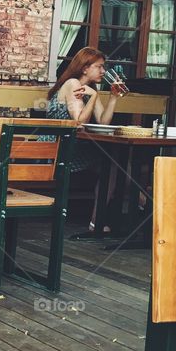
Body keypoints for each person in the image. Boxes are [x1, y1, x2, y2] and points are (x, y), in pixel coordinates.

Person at [46, 46, 127, 231]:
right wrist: (94, 97)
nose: (103, 71)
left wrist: (113, 98)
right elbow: (79, 121)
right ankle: (100, 220)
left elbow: (103, 122)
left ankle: (143, 204)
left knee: (117, 165)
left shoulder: (89, 89)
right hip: (58, 149)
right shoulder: (73, 84)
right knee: (114, 165)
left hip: (73, 147)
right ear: (85, 68)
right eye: (99, 66)